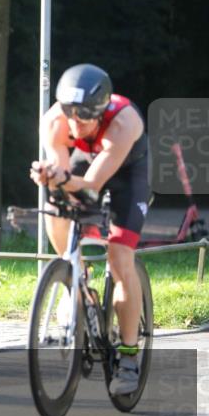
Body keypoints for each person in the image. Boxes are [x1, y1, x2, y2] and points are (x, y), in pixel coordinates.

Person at [30, 63, 149, 395]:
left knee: (120, 257)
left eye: (82, 119)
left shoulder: (124, 123)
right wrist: (51, 176)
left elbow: (93, 185)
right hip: (86, 163)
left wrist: (65, 179)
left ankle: (128, 355)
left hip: (126, 172)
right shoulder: (55, 120)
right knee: (55, 207)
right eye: (69, 115)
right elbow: (64, 174)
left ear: (100, 113)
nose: (73, 124)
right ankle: (77, 284)